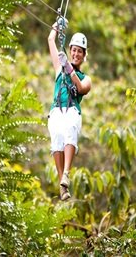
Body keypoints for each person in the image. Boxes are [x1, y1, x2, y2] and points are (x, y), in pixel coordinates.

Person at [47, 21, 92, 201]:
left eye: (79, 51)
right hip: (56, 110)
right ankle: (62, 185)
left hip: (72, 110)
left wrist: (69, 68)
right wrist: (57, 25)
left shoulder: (85, 78)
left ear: (84, 55)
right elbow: (51, 39)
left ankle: (66, 172)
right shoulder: (60, 68)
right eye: (73, 50)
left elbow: (81, 88)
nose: (75, 54)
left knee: (69, 132)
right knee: (56, 141)